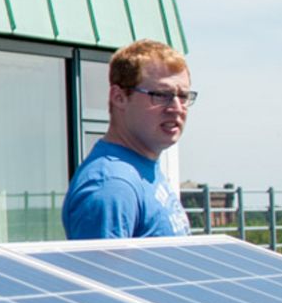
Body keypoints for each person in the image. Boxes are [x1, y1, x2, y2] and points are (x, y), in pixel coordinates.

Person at [64, 39, 195, 240]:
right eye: (161, 95)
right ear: (119, 97)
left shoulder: (141, 169)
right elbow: (99, 271)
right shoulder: (112, 186)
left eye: (183, 96)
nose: (177, 107)